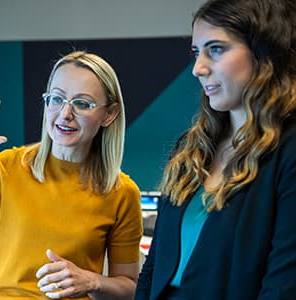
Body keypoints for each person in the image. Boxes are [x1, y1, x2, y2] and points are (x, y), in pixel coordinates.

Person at [0, 51, 143, 299]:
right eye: (56, 99)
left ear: (109, 114)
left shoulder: (122, 192)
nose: (65, 114)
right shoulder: (8, 166)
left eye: (82, 104)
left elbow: (129, 288)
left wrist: (93, 281)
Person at [135, 0, 296, 299]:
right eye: (197, 52)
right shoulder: (190, 147)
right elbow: (153, 268)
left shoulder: (287, 151)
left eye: (216, 49)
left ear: (264, 52)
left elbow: (284, 284)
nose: (198, 68)